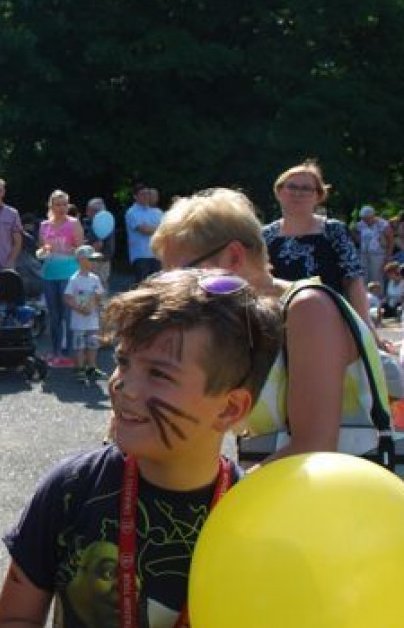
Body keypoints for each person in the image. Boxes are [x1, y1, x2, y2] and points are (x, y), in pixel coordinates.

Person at [0, 270, 296, 628]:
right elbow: (11, 625)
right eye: (123, 361)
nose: (122, 386)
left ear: (229, 408)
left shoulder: (260, 528)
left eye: (159, 374)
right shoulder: (72, 488)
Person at [153, 187, 390, 462]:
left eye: (182, 274)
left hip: (338, 496)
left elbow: (314, 446)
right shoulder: (244, 321)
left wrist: (230, 495)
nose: (174, 288)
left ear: (234, 256)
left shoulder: (308, 308)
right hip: (290, 491)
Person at [261, 161, 372, 333]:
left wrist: (365, 328)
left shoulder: (334, 230)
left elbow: (353, 280)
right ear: (279, 191)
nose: (298, 193)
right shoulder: (264, 236)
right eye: (292, 186)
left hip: (329, 323)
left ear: (318, 196)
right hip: (278, 326)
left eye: (306, 188)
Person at [37, 189, 84, 368]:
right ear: (52, 206)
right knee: (54, 316)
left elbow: (81, 250)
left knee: (68, 315)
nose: (62, 207)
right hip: (49, 273)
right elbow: (43, 250)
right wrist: (44, 252)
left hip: (69, 273)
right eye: (58, 204)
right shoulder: (44, 225)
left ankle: (69, 353)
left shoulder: (74, 223)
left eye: (65, 204)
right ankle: (56, 352)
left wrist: (70, 251)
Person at [64, 245, 106, 382]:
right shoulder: (74, 279)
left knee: (93, 343)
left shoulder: (95, 278)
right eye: (91, 259)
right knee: (79, 345)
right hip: (79, 319)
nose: (94, 263)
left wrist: (97, 303)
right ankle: (80, 368)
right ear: (81, 260)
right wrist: (80, 308)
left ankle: (92, 367)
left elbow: (99, 294)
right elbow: (68, 298)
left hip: (92, 319)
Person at [124, 184, 163, 282]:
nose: (146, 196)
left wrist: (157, 229)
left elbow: (166, 228)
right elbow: (144, 230)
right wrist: (160, 229)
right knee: (142, 287)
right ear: (135, 196)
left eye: (147, 194)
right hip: (140, 256)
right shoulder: (131, 212)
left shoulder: (157, 212)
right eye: (142, 194)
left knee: (157, 287)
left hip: (156, 255)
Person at [353, 204, 394, 286]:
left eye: (367, 218)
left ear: (372, 216)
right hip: (363, 254)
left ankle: (379, 297)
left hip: (378, 254)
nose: (365, 220)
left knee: (377, 278)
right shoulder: (360, 224)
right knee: (364, 277)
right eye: (363, 218)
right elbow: (357, 238)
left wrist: (388, 257)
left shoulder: (383, 224)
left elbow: (391, 241)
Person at [84, 196, 115, 288]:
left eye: (88, 210)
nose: (87, 212)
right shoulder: (107, 221)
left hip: (98, 260)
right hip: (100, 259)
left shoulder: (103, 222)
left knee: (98, 286)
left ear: (94, 211)